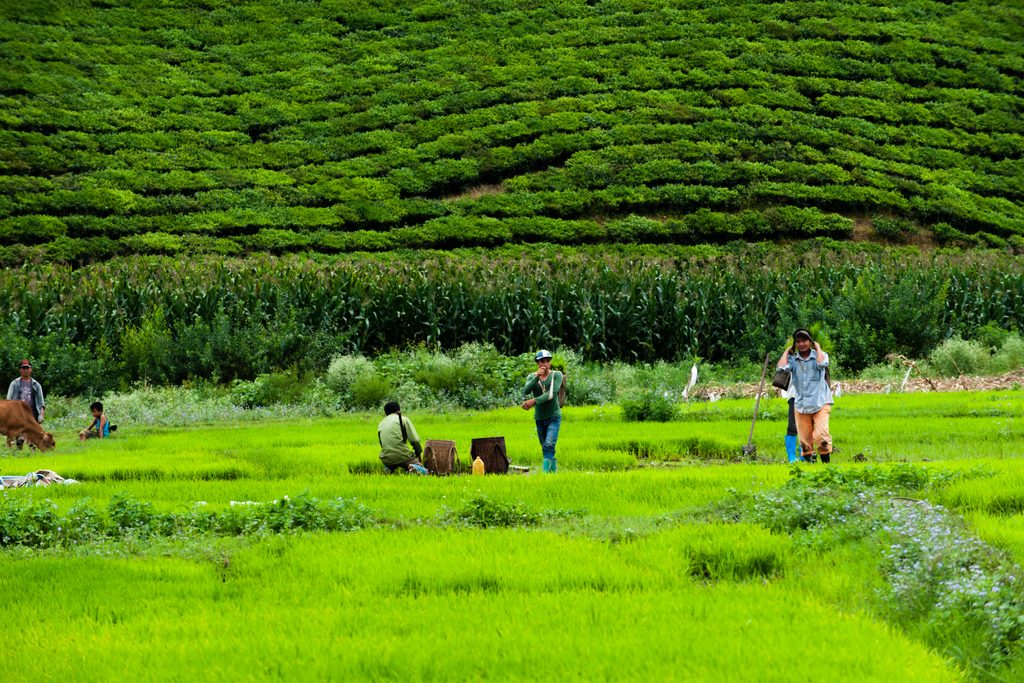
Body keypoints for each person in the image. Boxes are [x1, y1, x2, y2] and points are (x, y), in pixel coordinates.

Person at [777, 329, 834, 463]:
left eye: (804, 341)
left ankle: (827, 466)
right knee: (805, 441)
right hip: (801, 404)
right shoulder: (793, 359)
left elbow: (822, 363)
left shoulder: (820, 355)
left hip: (820, 402)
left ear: (810, 342)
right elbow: (781, 368)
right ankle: (809, 466)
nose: (801, 344)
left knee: (821, 435)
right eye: (798, 342)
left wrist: (818, 347)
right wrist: (786, 351)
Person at [522, 349, 563, 473]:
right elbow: (526, 391)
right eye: (542, 361)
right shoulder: (532, 376)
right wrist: (536, 377)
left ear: (550, 362)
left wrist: (533, 401)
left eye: (547, 361)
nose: (545, 364)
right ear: (537, 363)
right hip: (540, 418)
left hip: (553, 416)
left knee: (549, 444)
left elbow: (551, 394)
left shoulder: (556, 375)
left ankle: (545, 474)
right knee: (545, 446)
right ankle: (553, 473)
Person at [377, 401, 428, 474]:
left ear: (385, 413)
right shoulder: (403, 419)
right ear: (398, 411)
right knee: (426, 472)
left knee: (391, 466)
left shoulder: (381, 423)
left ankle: (388, 469)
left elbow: (382, 444)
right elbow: (415, 440)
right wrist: (418, 453)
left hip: (386, 458)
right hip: (403, 456)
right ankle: (413, 467)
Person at [7, 358, 45, 424]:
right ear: (20, 370)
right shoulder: (14, 384)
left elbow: (41, 403)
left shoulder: (36, 385)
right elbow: (8, 401)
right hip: (18, 416)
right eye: (23, 368)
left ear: (31, 369)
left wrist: (41, 415)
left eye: (27, 368)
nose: (25, 370)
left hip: (32, 416)